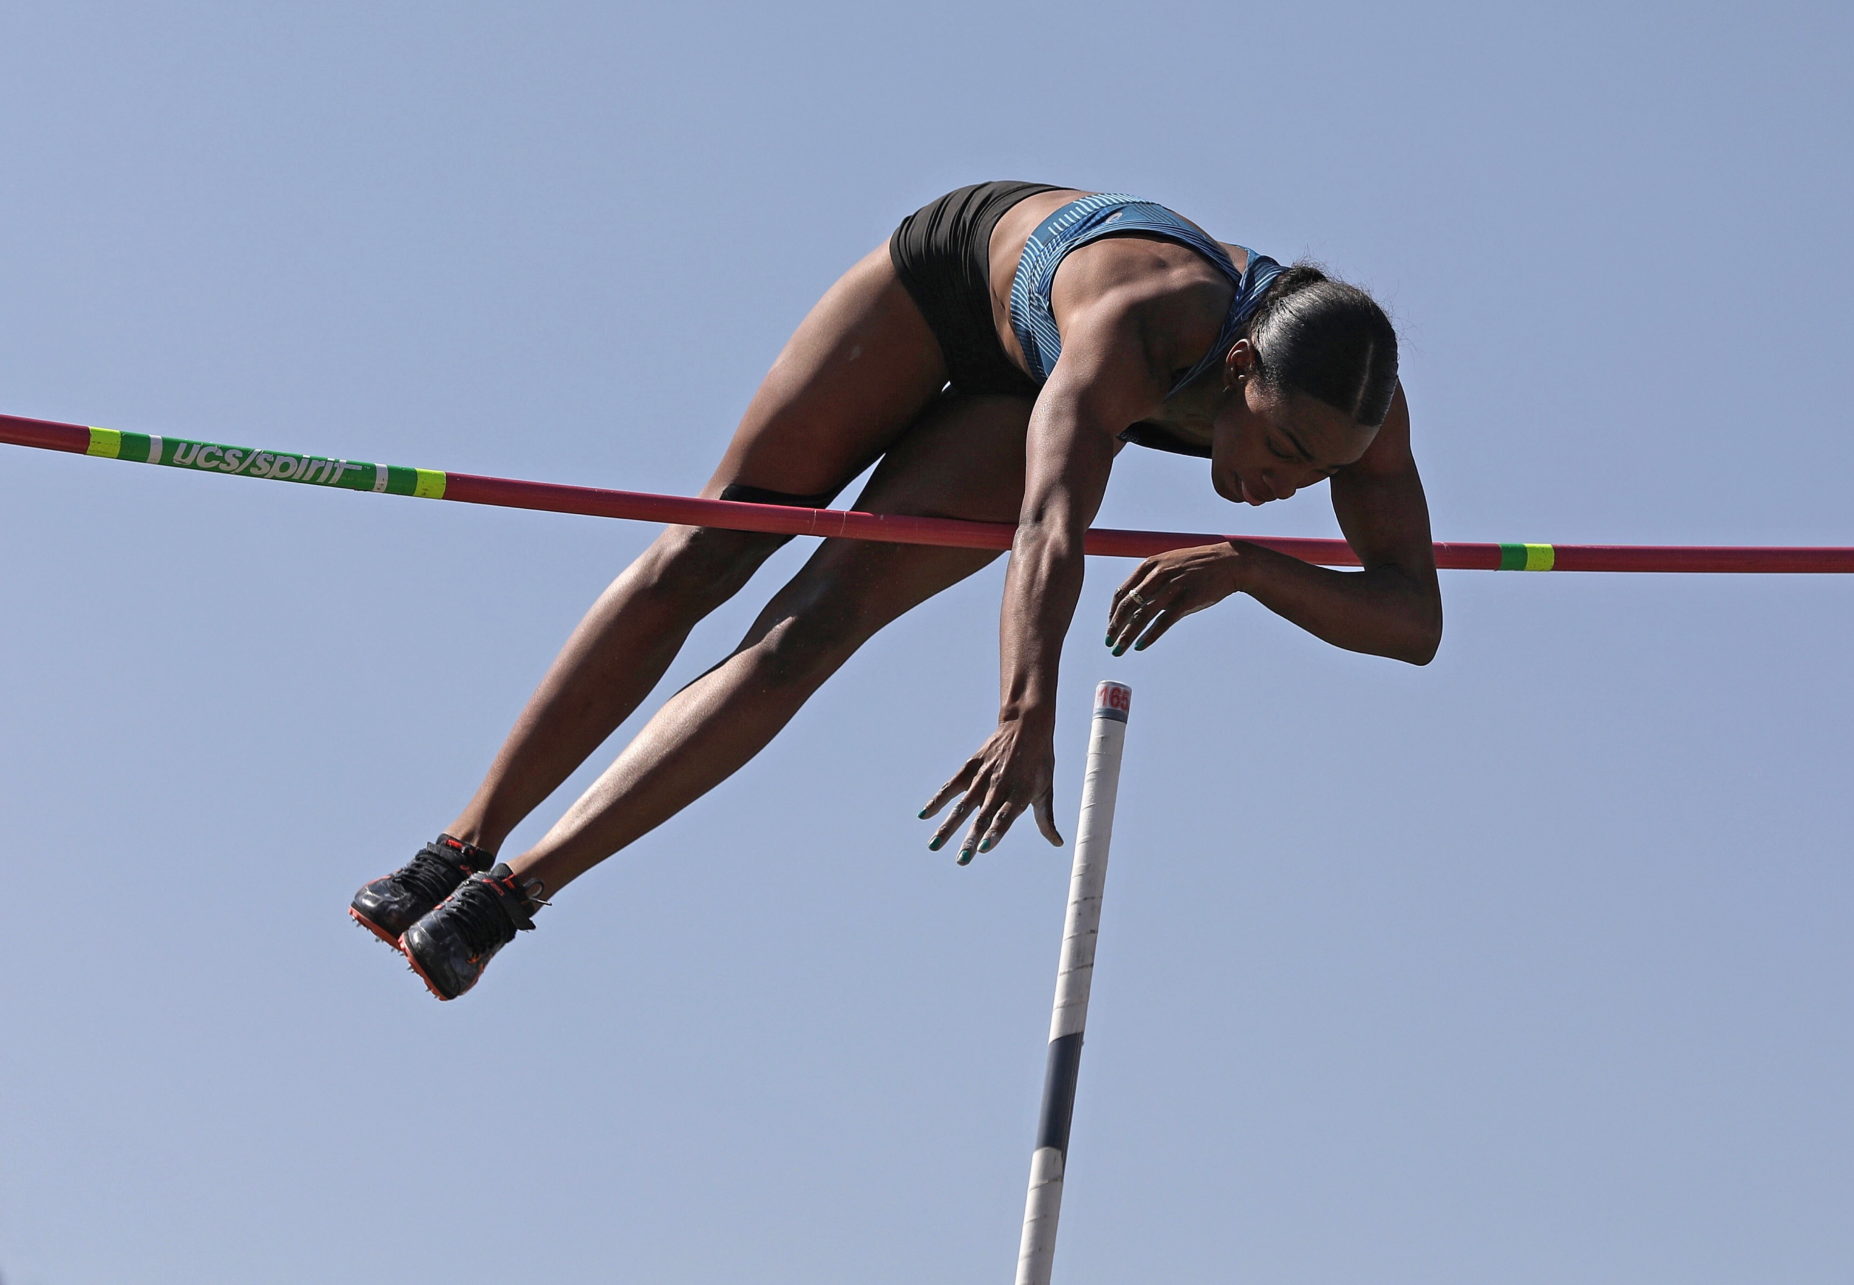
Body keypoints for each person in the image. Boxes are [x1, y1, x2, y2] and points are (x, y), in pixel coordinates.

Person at [348, 182, 1442, 1000]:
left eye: (1318, 473)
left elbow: (1411, 622)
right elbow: (1050, 525)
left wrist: (1250, 568)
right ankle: (457, 846)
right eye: (1282, 448)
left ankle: (509, 896)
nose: (1288, 486)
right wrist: (1024, 713)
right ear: (1241, 365)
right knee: (711, 549)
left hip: (1023, 404)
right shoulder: (1144, 323)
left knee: (810, 631)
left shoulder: (1362, 417)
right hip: (949, 290)